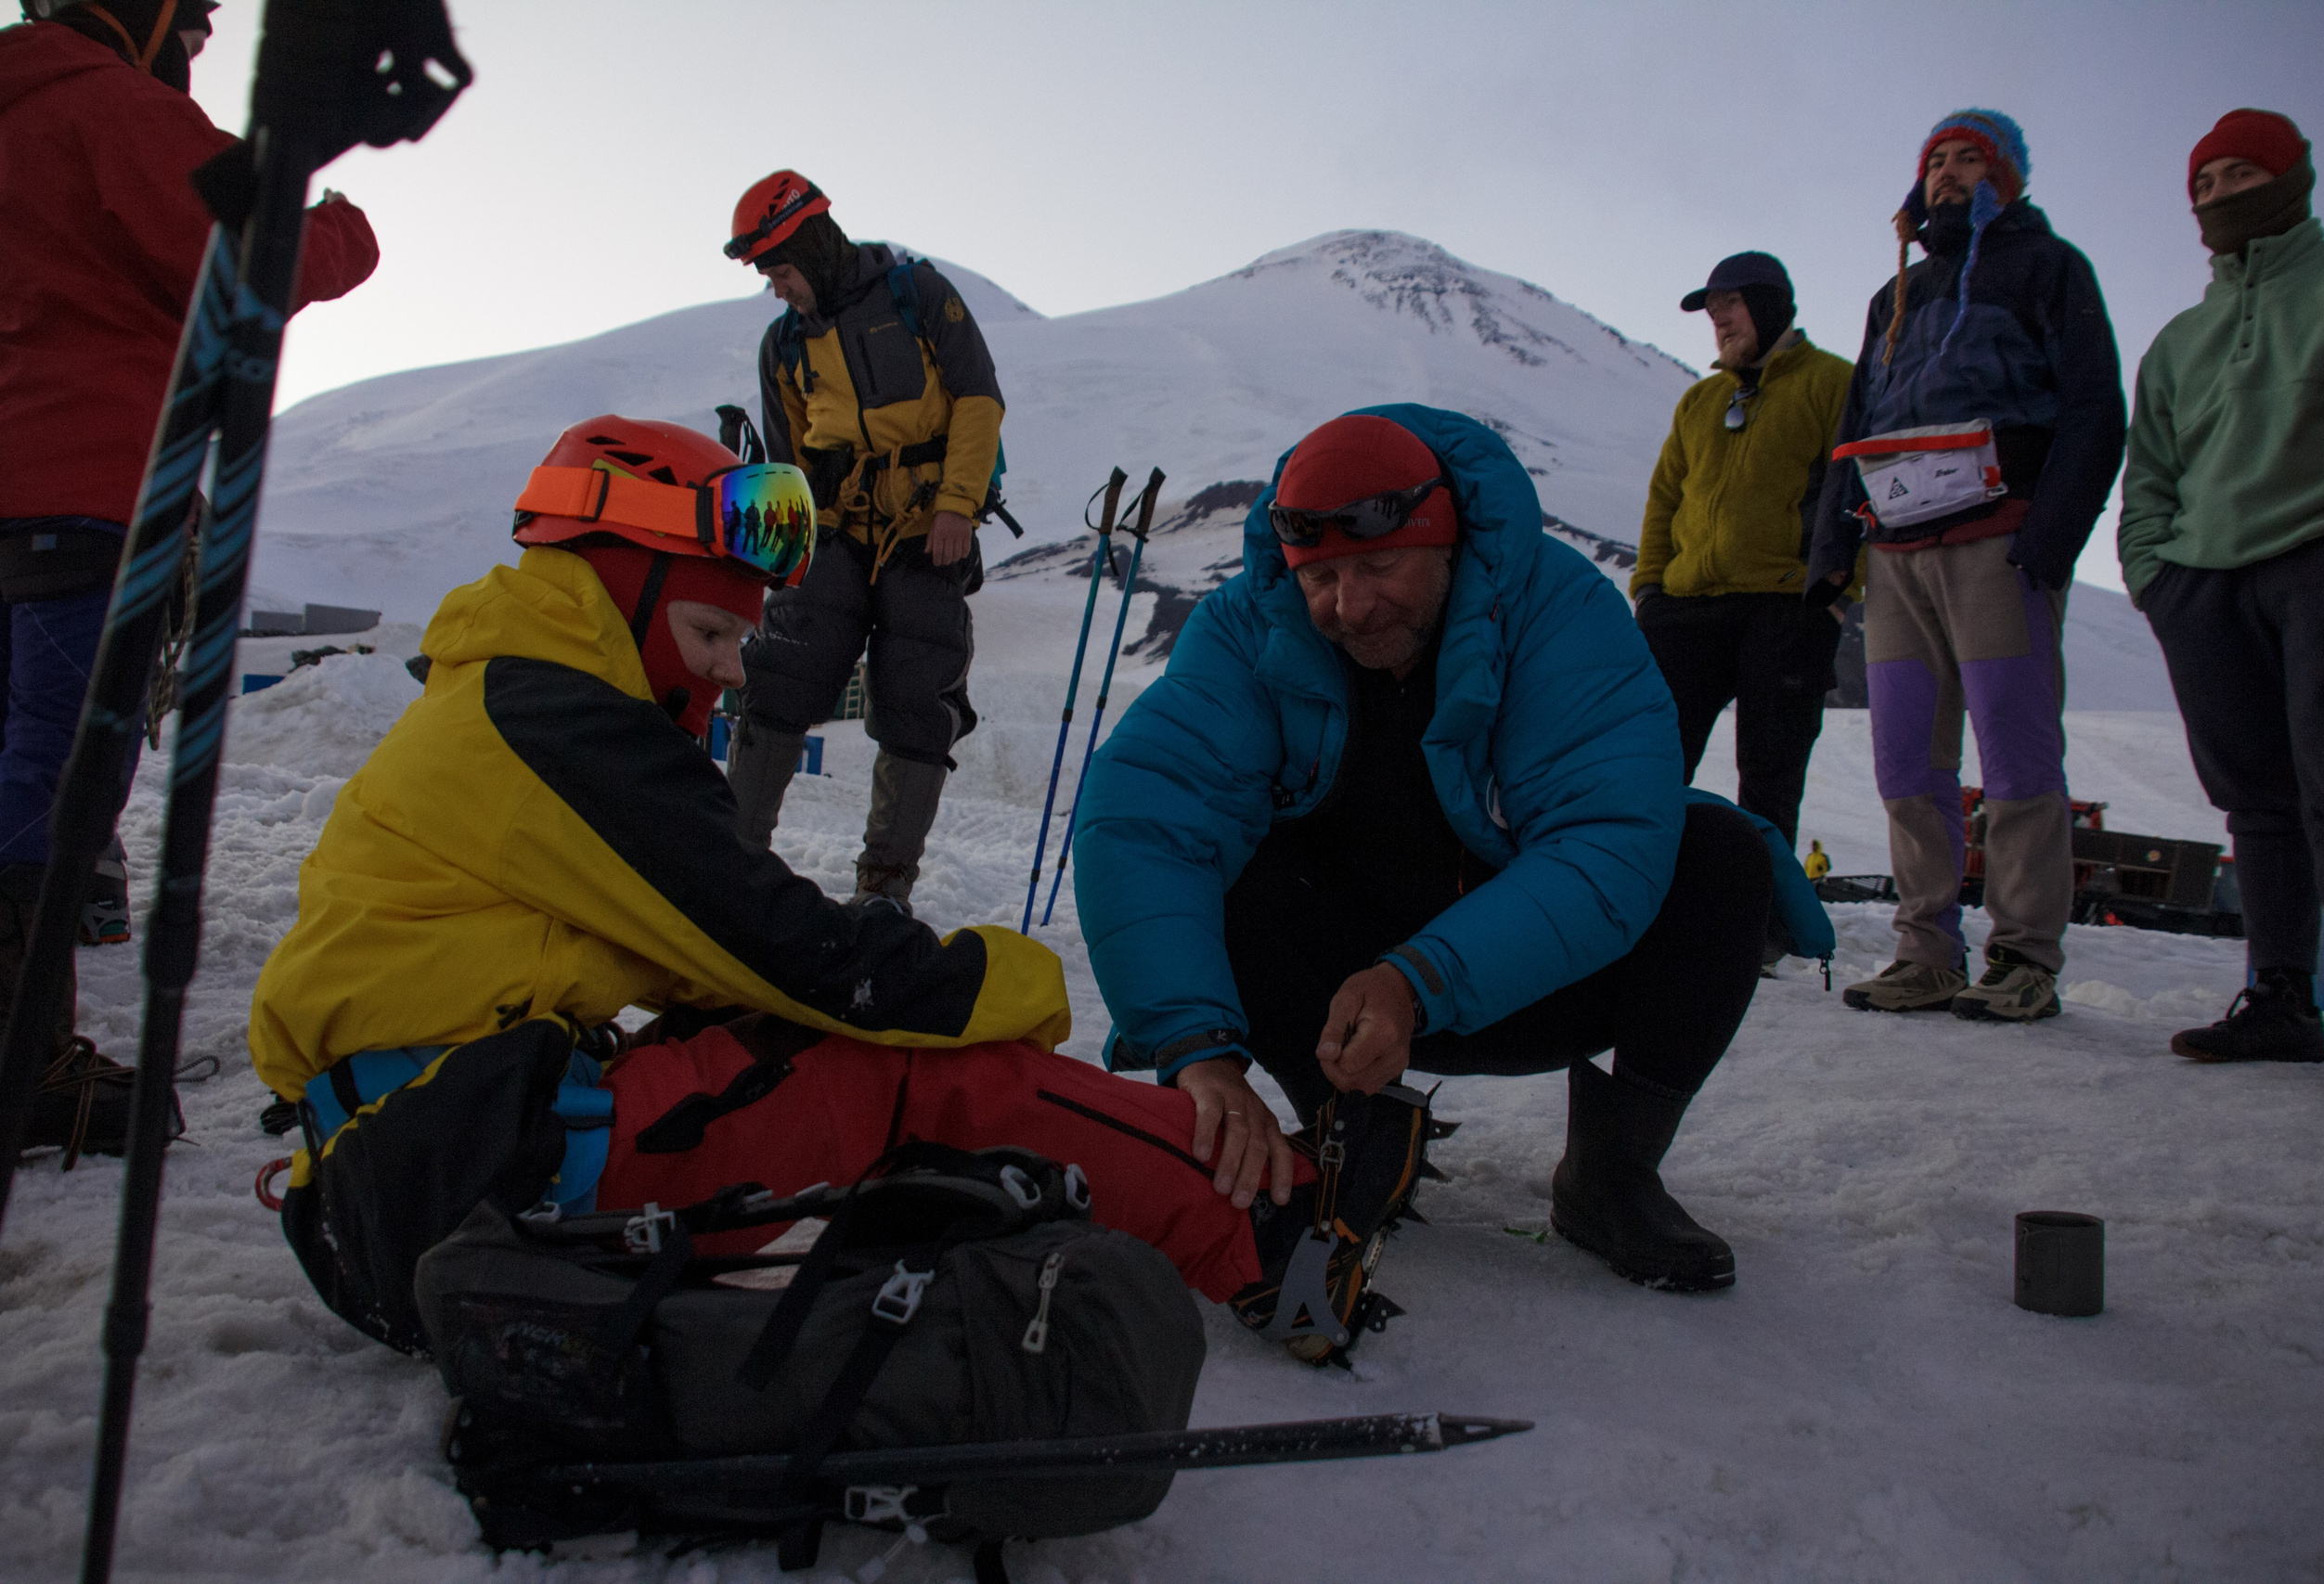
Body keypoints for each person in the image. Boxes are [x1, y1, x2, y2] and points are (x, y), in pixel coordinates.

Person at [248, 417, 1434, 1367]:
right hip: (461, 1176)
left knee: (782, 1049)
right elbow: (802, 955)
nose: (725, 672)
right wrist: (1007, 983)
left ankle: (1119, 1205)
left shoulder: (514, 693)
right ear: (630, 575)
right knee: (909, 1066)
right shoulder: (556, 720)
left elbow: (713, 959)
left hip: (412, 1167)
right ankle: (1274, 1226)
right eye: (712, 630)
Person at [1074, 406, 1831, 1295]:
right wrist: (1197, 1052)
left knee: (1719, 855)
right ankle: (1347, 1136)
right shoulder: (1252, 627)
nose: (1350, 608)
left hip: (1530, 977)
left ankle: (1612, 1174)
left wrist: (1415, 981)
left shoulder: (1556, 609)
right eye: (1320, 578)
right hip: (1337, 995)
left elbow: (1607, 844)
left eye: (1381, 565)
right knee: (1235, 866)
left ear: (1443, 541)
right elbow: (1145, 819)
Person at [0, 0, 377, 1162]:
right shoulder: (112, 104)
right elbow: (251, 253)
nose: (202, 43)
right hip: (91, 488)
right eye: (198, 19)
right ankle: (25, 1066)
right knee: (59, 777)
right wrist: (343, 227)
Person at [1806, 109, 2125, 1023]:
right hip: (1898, 544)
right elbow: (1854, 427)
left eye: (1970, 158)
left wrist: (2050, 537)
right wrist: (1833, 550)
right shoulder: (1889, 298)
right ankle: (1927, 950)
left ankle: (2023, 956)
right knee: (1906, 758)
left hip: (2001, 535)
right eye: (1935, 160)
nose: (1948, 173)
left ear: (2009, 177)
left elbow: (2095, 405)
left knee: (2017, 753)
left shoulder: (2048, 268)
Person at [2116, 109, 2324, 1083]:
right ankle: (2279, 1000)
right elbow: (2151, 474)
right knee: (2256, 802)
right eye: (2205, 183)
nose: (2220, 196)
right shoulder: (2180, 341)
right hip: (2204, 584)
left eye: (2240, 175)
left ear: (2290, 178)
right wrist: (2156, 576)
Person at [720, 169, 1004, 912]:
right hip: (835, 528)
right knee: (780, 673)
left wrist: (957, 506)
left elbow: (978, 397)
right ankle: (728, 859)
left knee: (918, 692)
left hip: (927, 525)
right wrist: (782, 558)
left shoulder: (920, 295)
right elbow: (787, 461)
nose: (777, 289)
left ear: (810, 247)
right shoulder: (781, 346)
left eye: (780, 272)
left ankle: (883, 890)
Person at [1633, 251, 1854, 854]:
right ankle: (1633, 909)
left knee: (1770, 778)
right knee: (1645, 765)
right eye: (1711, 310)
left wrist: (1837, 594)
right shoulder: (1700, 402)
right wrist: (1649, 591)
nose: (1719, 320)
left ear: (1769, 304)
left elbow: (1860, 487)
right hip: (1685, 604)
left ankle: (1759, 932)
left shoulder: (1833, 382)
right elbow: (1664, 501)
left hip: (1787, 604)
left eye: (1729, 304)